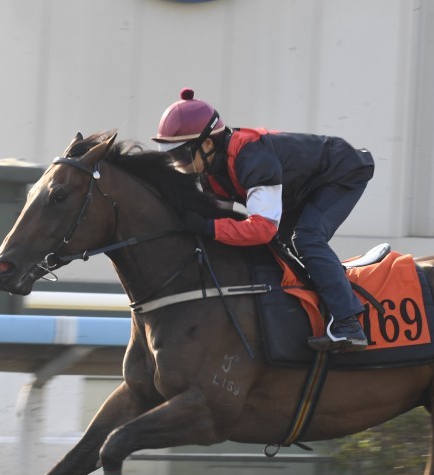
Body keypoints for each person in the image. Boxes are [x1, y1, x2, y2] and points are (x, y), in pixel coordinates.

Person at [152, 88, 375, 352]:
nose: (177, 164)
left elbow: (261, 229)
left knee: (306, 238)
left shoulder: (251, 158)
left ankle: (349, 325)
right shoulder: (210, 171)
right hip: (299, 187)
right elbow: (222, 221)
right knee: (282, 245)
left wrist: (206, 226)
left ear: (208, 144)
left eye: (181, 155)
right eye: (170, 155)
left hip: (342, 172)